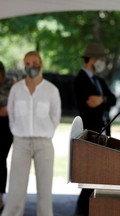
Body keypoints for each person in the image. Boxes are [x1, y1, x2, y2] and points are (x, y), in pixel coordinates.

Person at [1, 51, 61, 216]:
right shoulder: (16, 89)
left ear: (41, 64)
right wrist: (17, 131)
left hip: (44, 144)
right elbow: (11, 114)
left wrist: (47, 132)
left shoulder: (51, 90)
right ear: (24, 65)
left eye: (34, 62)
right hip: (21, 142)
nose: (31, 66)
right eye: (27, 63)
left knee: (45, 192)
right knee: (15, 192)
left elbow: (55, 117)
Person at [73, 42, 117, 216]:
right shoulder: (80, 79)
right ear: (92, 59)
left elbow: (112, 99)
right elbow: (88, 105)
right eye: (101, 59)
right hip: (90, 131)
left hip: (104, 130)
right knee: (91, 173)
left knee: (101, 172)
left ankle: (91, 207)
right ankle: (82, 209)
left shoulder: (98, 80)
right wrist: (100, 101)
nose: (102, 62)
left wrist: (102, 99)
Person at [0, 61, 14, 214]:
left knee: (0, 158)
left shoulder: (12, 84)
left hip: (6, 127)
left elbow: (15, 105)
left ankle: (0, 196)